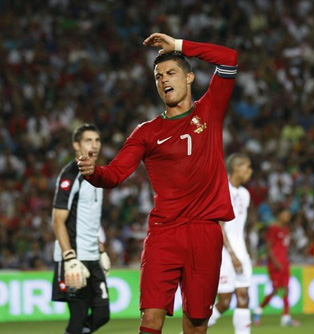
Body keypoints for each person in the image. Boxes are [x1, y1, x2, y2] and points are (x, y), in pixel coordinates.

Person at [77, 33, 238, 334]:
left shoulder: (210, 109)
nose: (164, 79)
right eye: (158, 76)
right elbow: (114, 174)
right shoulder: (146, 132)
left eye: (171, 72)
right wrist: (93, 172)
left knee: (197, 324)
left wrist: (178, 45)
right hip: (164, 234)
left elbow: (229, 58)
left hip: (205, 232)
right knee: (150, 320)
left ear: (189, 77)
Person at [51, 124, 111, 334]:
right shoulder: (70, 175)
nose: (94, 145)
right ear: (76, 145)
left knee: (103, 314)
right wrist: (69, 258)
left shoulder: (98, 175)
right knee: (78, 318)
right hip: (74, 257)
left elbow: (90, 220)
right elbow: (58, 220)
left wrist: (101, 249)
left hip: (92, 254)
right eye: (88, 140)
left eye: (97, 140)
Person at [208, 153, 253, 334]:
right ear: (236, 168)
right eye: (247, 167)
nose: (250, 171)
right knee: (225, 301)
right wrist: (233, 255)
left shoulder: (245, 194)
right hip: (225, 253)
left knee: (244, 297)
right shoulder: (221, 189)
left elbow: (239, 227)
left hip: (240, 251)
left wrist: (243, 252)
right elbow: (220, 225)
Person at [252, 209, 300, 327]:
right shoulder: (273, 228)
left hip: (284, 262)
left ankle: (286, 318)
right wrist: (275, 262)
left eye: (289, 215)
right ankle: (258, 310)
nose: (288, 217)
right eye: (285, 214)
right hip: (275, 264)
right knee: (276, 290)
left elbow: (286, 245)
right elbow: (268, 248)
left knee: (286, 289)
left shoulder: (287, 229)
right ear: (280, 215)